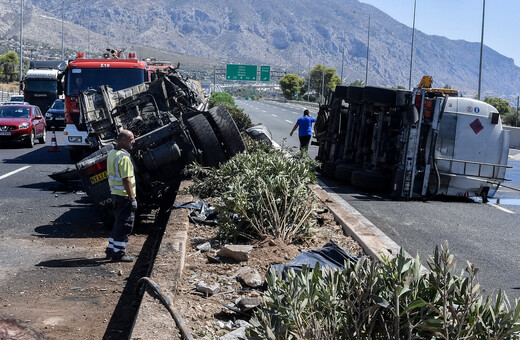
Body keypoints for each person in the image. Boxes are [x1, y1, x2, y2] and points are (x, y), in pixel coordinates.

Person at [105, 129, 137, 262]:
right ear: (123, 140)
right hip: (124, 196)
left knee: (118, 222)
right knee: (125, 224)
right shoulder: (124, 157)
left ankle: (111, 249)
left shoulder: (112, 153)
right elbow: (126, 180)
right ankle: (119, 254)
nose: (133, 141)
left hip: (115, 195)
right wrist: (132, 198)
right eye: (131, 139)